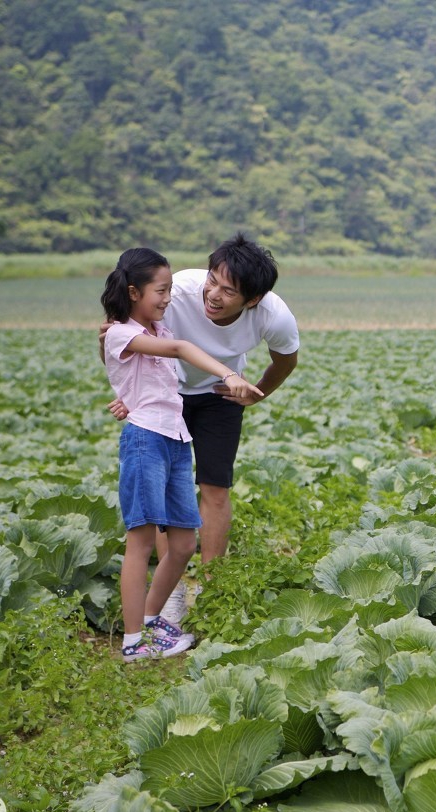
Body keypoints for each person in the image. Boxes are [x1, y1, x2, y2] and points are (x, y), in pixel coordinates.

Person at [102, 233, 300, 623]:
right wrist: (129, 390)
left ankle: (213, 590)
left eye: (229, 292)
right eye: (213, 281)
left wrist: (257, 394)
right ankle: (171, 590)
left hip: (220, 393)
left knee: (215, 487)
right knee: (161, 492)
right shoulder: (177, 292)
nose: (214, 294)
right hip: (164, 393)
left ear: (252, 300)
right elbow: (116, 332)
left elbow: (286, 360)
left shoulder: (273, 315)